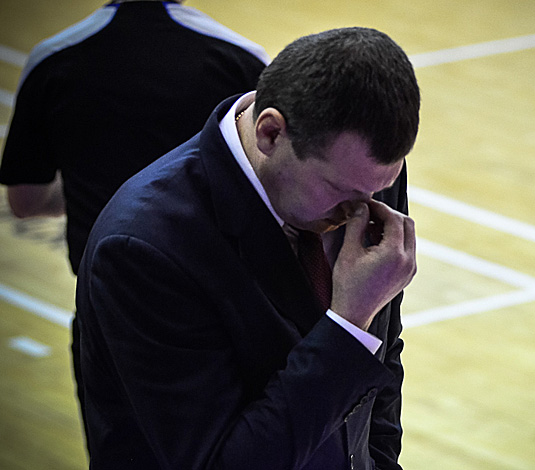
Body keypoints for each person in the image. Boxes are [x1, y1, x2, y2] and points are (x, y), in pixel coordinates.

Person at [75, 26, 420, 469]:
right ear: (270, 133)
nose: (360, 210)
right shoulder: (144, 248)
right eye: (340, 190)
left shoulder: (361, 175)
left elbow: (382, 365)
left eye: (381, 186)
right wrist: (349, 325)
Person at [0, 0, 268, 442]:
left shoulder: (54, 57)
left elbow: (26, 200)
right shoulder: (240, 57)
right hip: (221, 317)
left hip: (106, 315)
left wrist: (101, 191)